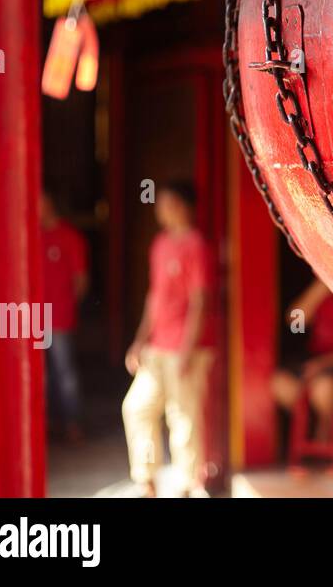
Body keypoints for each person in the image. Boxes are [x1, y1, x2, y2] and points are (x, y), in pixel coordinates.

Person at [121, 180, 216, 497]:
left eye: (163, 203)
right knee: (137, 407)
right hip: (157, 345)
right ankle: (146, 480)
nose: (158, 209)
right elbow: (155, 297)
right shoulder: (160, 244)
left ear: (180, 206)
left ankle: (188, 484)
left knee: (183, 415)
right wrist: (139, 340)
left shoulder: (196, 245)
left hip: (185, 346)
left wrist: (188, 349)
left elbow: (200, 300)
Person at [271, 278, 333, 447]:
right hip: (316, 359)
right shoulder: (324, 295)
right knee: (280, 383)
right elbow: (295, 323)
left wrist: (321, 365)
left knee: (324, 389)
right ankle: (307, 423)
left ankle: (325, 431)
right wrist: (321, 284)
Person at [39, 191, 89, 443]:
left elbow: (80, 280)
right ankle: (44, 426)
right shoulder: (31, 236)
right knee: (40, 375)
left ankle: (72, 424)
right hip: (32, 318)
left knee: (65, 372)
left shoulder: (69, 236)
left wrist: (68, 305)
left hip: (59, 316)